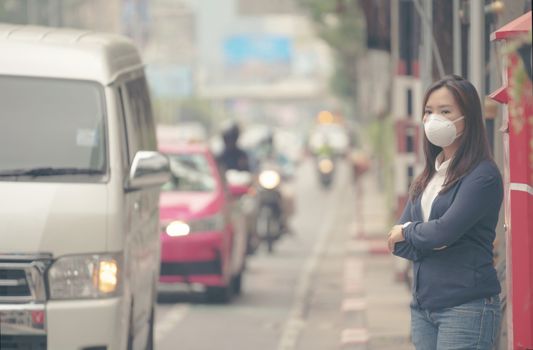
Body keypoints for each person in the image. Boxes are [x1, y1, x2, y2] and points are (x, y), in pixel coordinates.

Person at [387, 75, 503, 349]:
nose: (433, 118)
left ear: (467, 117)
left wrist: (411, 233)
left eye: (445, 111)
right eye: (428, 111)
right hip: (423, 308)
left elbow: (442, 231)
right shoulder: (429, 176)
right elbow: (399, 244)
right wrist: (425, 238)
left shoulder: (482, 176)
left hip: (466, 308)